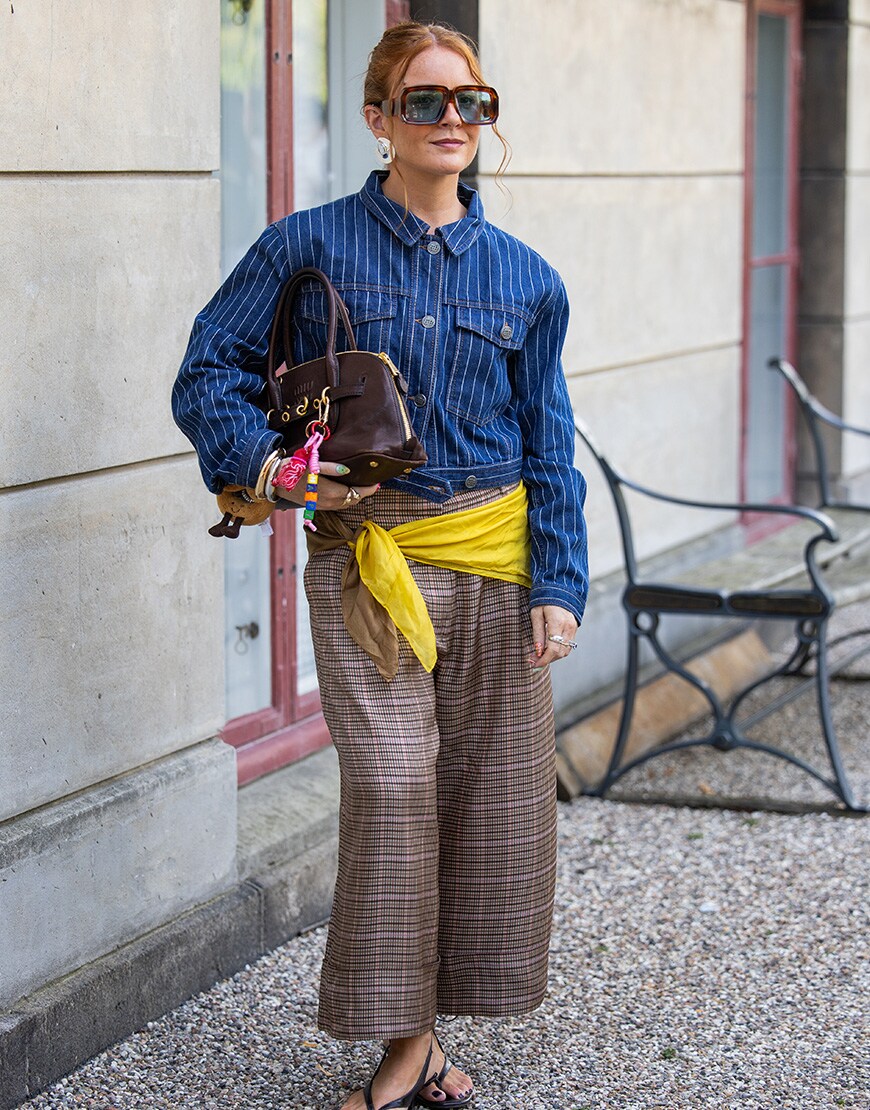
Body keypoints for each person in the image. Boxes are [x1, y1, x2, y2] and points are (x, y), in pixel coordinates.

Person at [172, 20, 588, 1110]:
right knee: (398, 786)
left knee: (490, 802)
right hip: (369, 563)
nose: (454, 121)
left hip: (497, 561)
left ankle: (416, 1054)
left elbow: (551, 443)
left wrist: (559, 584)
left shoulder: (529, 279)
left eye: (472, 104)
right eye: (427, 101)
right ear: (378, 118)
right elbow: (208, 368)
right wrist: (267, 465)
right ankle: (409, 1050)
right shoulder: (305, 246)